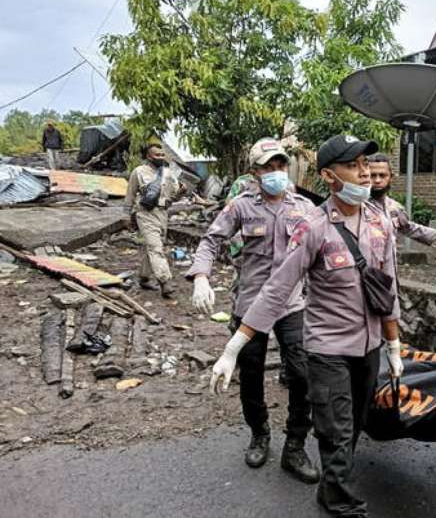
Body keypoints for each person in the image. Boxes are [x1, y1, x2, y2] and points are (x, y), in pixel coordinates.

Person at [209, 134, 404, 518]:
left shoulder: (381, 221)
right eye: (354, 166)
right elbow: (276, 290)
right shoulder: (313, 226)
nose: (365, 173)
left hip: (368, 348)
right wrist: (233, 348)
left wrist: (394, 346)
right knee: (337, 431)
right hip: (327, 349)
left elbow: (389, 287)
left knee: (355, 425)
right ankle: (342, 504)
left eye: (366, 165)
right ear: (330, 176)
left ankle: (332, 489)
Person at [186, 138, 318, 483]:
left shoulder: (303, 206)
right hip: (250, 303)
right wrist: (201, 276)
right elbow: (211, 240)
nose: (276, 173)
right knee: (251, 375)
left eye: (280, 166)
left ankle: (295, 444)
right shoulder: (241, 207)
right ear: (254, 172)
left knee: (302, 375)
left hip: (292, 304)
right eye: (268, 167)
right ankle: (259, 433)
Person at [124, 144, 185, 297]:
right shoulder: (138, 172)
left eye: (162, 155)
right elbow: (130, 195)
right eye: (157, 155)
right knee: (155, 247)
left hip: (163, 213)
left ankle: (144, 277)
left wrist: (181, 192)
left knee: (152, 247)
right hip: (145, 214)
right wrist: (126, 214)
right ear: (148, 157)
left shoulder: (168, 173)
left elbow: (174, 196)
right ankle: (165, 282)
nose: (161, 158)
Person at [368, 153, 436, 247]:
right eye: (372, 175)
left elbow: (410, 228)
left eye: (382, 175)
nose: (377, 180)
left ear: (391, 178)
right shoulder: (356, 207)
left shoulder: (395, 208)